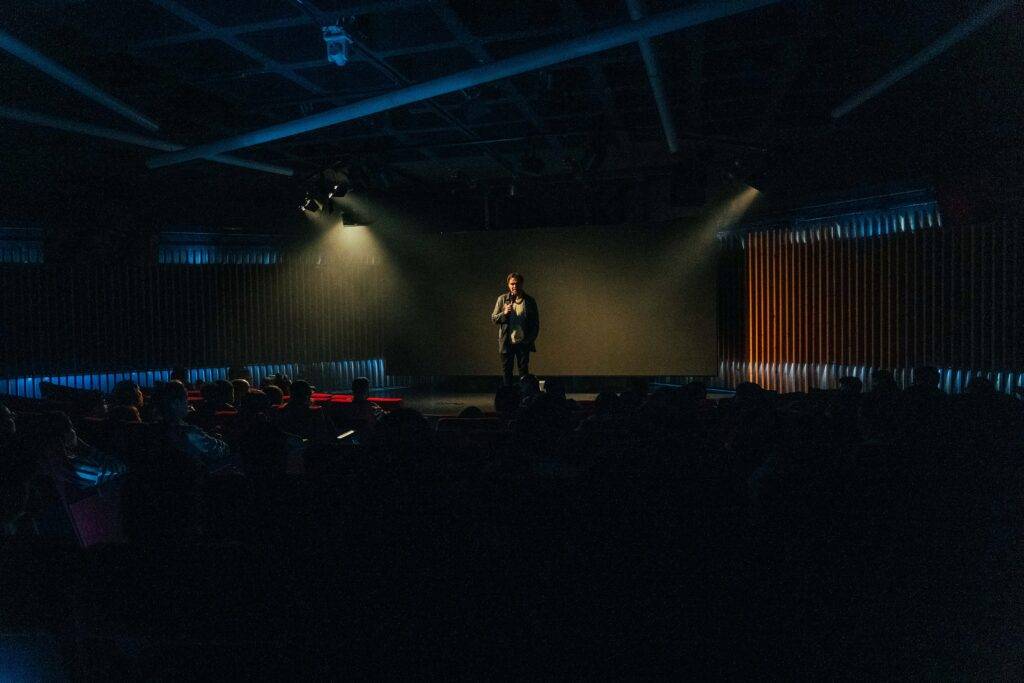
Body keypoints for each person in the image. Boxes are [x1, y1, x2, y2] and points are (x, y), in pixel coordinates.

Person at [491, 272, 539, 386]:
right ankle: (508, 395)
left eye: (517, 284)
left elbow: (535, 324)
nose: (514, 286)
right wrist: (504, 313)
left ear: (522, 284)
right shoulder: (502, 299)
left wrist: (529, 340)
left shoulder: (529, 301)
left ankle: (524, 394)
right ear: (508, 285)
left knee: (523, 372)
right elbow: (494, 318)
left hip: (523, 342)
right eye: (512, 284)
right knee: (507, 372)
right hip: (507, 342)